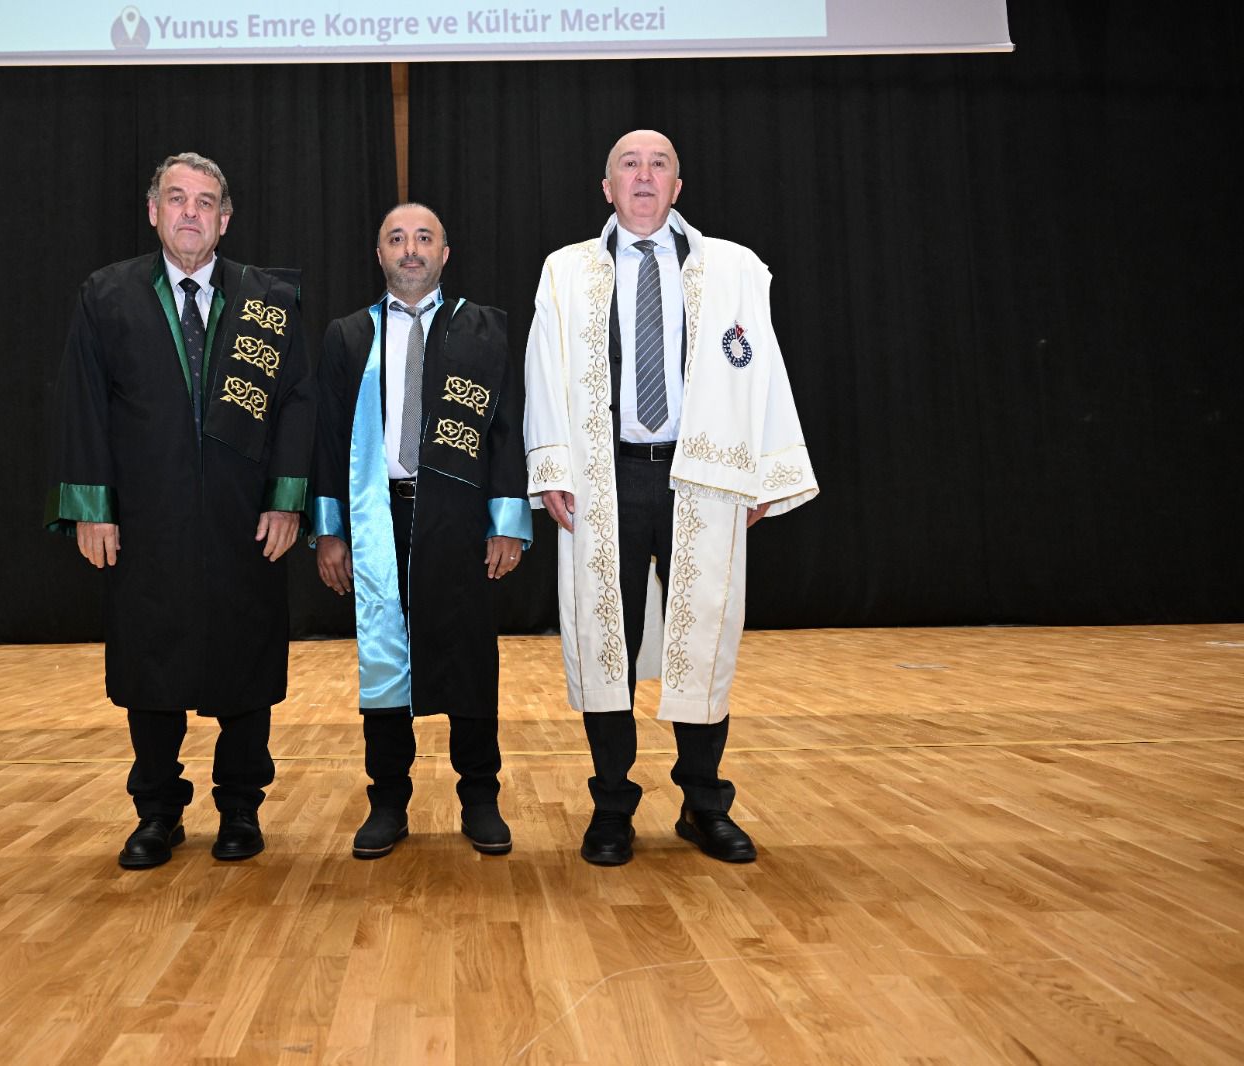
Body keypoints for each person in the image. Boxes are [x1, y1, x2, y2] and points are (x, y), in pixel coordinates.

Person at [523, 130, 818, 866]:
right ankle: (611, 808)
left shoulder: (734, 268)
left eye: (659, 165)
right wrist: (551, 466)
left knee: (703, 637)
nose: (644, 175)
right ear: (607, 188)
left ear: (678, 187)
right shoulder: (566, 271)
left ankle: (704, 804)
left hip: (704, 475)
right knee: (606, 643)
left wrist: (763, 472)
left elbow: (764, 365)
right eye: (629, 165)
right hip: (604, 478)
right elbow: (542, 369)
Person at [45, 152, 314, 868]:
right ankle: (157, 812)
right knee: (150, 664)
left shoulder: (268, 299)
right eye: (176, 198)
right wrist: (91, 508)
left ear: (225, 219)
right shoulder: (106, 295)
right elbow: (83, 403)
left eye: (205, 202)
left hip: (243, 518)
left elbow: (296, 402)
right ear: (153, 210)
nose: (190, 212)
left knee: (245, 662)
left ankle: (240, 809)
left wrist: (287, 500)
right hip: (147, 519)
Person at [313, 204, 531, 859]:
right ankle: (387, 800)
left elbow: (507, 430)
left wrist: (507, 521)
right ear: (379, 254)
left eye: (424, 238)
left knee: (470, 656)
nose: (410, 249)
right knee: (383, 658)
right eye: (397, 238)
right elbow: (327, 438)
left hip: (459, 518)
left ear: (444, 252)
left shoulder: (483, 329)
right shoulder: (348, 336)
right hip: (378, 516)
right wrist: (330, 531)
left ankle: (480, 796)